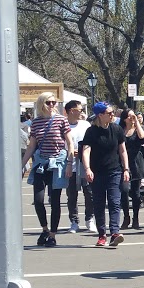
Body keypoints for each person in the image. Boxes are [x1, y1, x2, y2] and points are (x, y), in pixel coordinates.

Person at [21, 93, 71, 247]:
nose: (51, 105)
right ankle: (44, 229)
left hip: (57, 164)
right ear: (41, 104)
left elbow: (69, 143)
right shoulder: (36, 123)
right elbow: (31, 146)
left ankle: (53, 234)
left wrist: (70, 163)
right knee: (38, 200)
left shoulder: (62, 120)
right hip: (41, 164)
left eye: (53, 102)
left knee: (55, 201)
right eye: (48, 103)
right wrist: (21, 165)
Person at [81, 102, 128, 249]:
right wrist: (87, 168)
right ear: (100, 115)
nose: (112, 115)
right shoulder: (91, 131)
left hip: (114, 170)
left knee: (114, 202)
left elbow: (122, 150)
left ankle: (115, 233)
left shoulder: (117, 129)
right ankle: (102, 235)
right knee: (99, 203)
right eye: (109, 113)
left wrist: (126, 168)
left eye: (113, 112)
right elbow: (86, 150)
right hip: (97, 172)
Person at [63, 100, 94, 234]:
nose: (81, 112)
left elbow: (90, 143)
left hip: (85, 164)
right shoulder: (63, 125)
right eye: (79, 110)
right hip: (69, 164)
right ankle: (74, 221)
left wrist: (83, 151)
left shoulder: (85, 125)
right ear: (71, 111)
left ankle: (90, 219)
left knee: (89, 193)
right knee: (72, 195)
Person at [120, 108, 144, 230]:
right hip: (123, 163)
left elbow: (143, 137)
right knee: (124, 191)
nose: (131, 118)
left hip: (136, 162)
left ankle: (136, 218)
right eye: (129, 116)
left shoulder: (138, 129)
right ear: (124, 118)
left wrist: (136, 122)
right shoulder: (120, 130)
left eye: (133, 116)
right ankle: (126, 217)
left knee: (136, 193)